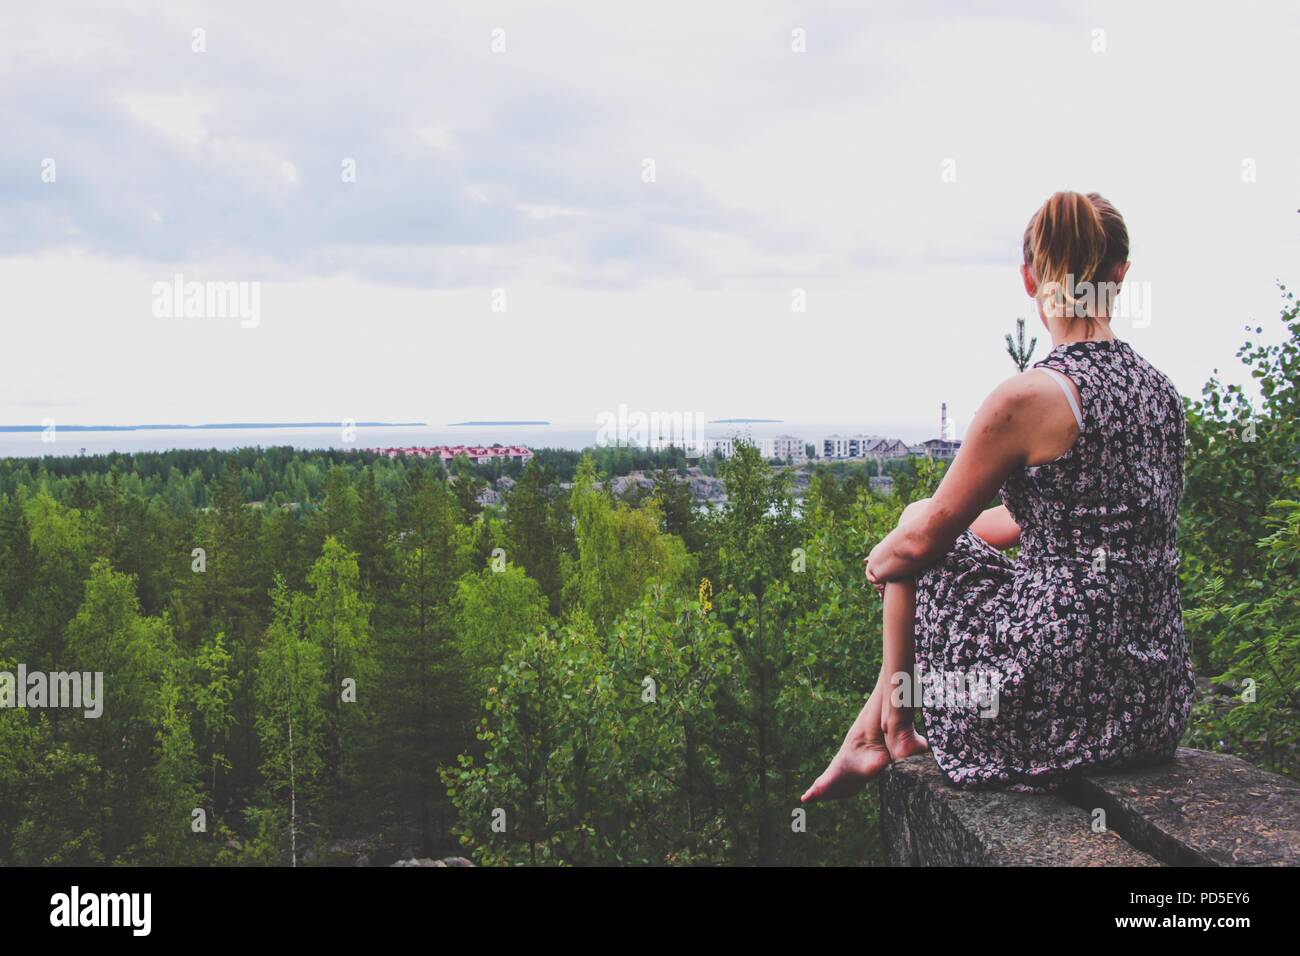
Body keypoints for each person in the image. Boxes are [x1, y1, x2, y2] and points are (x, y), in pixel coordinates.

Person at [803, 191, 1195, 800]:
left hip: (1055, 698)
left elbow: (927, 535)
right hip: (1154, 704)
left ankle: (892, 731)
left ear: (1029, 279)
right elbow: (1023, 519)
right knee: (921, 539)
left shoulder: (1030, 397)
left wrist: (888, 559)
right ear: (1121, 274)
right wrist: (920, 549)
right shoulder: (1162, 396)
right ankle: (869, 736)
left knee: (915, 528)